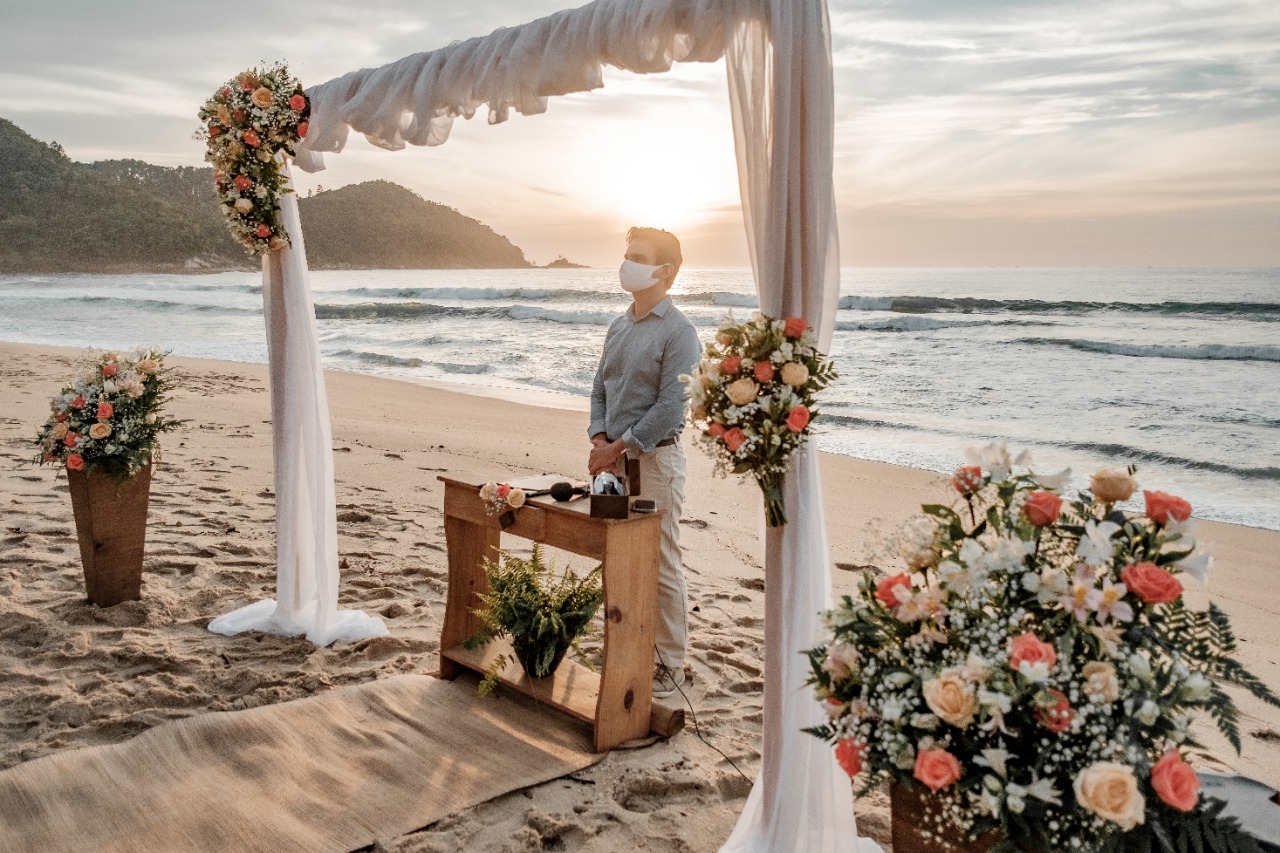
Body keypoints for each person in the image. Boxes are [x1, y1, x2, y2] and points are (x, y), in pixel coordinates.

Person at [588, 226, 701, 700]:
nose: (626, 264)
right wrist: (599, 436)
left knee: (661, 559)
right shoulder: (619, 325)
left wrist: (617, 447)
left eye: (637, 257)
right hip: (611, 463)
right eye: (627, 255)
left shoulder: (680, 332)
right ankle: (628, 642)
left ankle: (669, 661)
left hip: (654, 462)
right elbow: (600, 388)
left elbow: (673, 406)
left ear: (665, 271)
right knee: (620, 555)